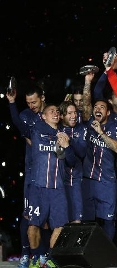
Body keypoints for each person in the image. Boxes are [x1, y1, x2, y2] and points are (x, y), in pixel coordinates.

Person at [6, 85, 47, 268]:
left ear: (42, 98)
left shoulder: (52, 113)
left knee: (46, 217)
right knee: (28, 215)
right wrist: (12, 103)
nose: (31, 105)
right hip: (32, 173)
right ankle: (25, 254)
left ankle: (44, 255)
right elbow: (19, 124)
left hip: (50, 173)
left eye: (34, 102)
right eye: (28, 102)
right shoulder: (25, 116)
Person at [27, 104, 72, 267]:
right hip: (38, 186)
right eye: (51, 111)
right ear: (43, 116)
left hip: (58, 187)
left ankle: (50, 258)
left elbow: (71, 161)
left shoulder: (64, 135)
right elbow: (19, 123)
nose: (55, 113)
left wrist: (67, 146)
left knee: (60, 226)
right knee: (33, 225)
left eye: (57, 111)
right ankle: (36, 258)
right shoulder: (36, 130)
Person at [81, 99, 117, 239]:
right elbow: (86, 103)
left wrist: (101, 132)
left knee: (108, 219)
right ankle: (88, 255)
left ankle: (107, 255)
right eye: (96, 106)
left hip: (106, 180)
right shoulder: (88, 123)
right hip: (88, 179)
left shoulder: (114, 126)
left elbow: (116, 148)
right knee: (87, 219)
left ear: (108, 112)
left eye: (102, 107)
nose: (98, 109)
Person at [58, 101, 87, 224]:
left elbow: (82, 153)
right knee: (61, 219)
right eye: (69, 113)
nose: (74, 116)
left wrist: (69, 142)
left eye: (75, 112)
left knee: (77, 219)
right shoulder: (56, 129)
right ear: (62, 115)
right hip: (60, 179)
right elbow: (59, 155)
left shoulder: (82, 129)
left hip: (76, 179)